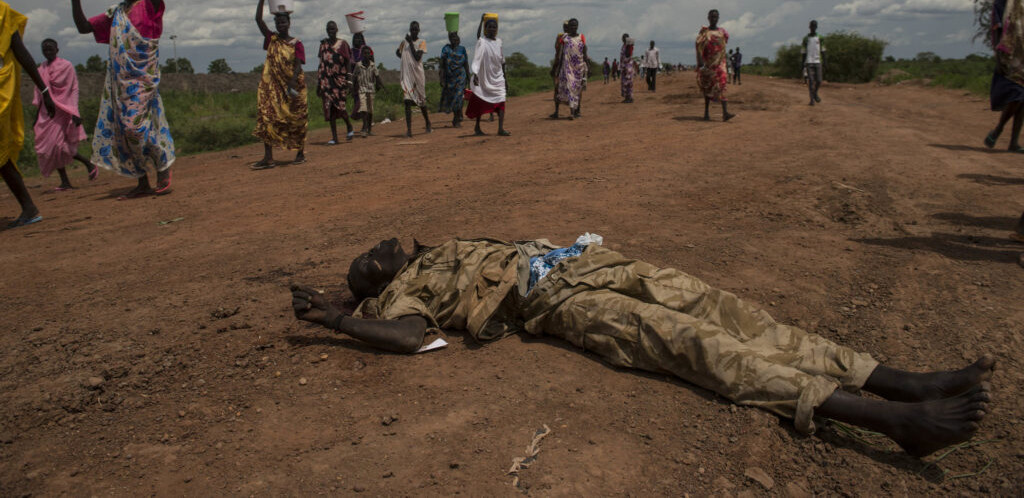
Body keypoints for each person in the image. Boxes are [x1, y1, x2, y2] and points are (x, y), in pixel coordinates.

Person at [290, 235, 994, 458]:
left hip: (579, 262)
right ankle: (885, 419)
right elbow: (408, 336)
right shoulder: (399, 295)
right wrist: (339, 317)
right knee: (693, 342)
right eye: (369, 255)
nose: (381, 243)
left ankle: (893, 378)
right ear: (372, 280)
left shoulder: (428, 248)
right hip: (553, 301)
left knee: (728, 309)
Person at [59, 0, 174, 198]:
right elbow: (84, 27)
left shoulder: (151, 6)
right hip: (119, 84)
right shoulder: (116, 13)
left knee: (137, 127)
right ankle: (142, 183)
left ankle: (163, 165)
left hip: (142, 81)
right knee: (123, 132)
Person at [1, 2, 56, 228]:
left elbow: (20, 52)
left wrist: (44, 90)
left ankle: (29, 207)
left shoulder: (2, 12)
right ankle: (28, 207)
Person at [251, 0, 307, 169]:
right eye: (278, 23)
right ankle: (268, 157)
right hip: (272, 86)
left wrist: (292, 83)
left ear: (289, 23)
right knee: (267, 116)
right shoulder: (272, 39)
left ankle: (300, 152)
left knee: (296, 117)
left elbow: (298, 64)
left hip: (292, 85)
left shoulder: (297, 43)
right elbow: (258, 20)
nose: (281, 25)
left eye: (283, 22)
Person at [32, 38, 95, 190]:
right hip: (47, 113)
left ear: (57, 50)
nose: (48, 52)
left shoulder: (66, 66)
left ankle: (89, 164)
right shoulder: (41, 70)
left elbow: (73, 89)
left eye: (50, 49)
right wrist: (36, 117)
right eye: (45, 49)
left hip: (64, 112)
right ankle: (65, 182)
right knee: (52, 149)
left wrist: (74, 111)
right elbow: (41, 95)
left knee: (60, 146)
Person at [983, 0, 1024, 151]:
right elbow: (997, 24)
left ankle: (1013, 142)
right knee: (1017, 95)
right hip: (1011, 54)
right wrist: (999, 49)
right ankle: (998, 130)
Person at [466, 14, 509, 136]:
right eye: (489, 27)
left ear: (497, 29)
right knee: (481, 99)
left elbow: (502, 61)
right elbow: (477, 36)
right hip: (485, 77)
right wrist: (481, 21)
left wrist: (505, 79)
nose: (492, 30)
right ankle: (477, 127)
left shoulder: (499, 42)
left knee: (501, 100)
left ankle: (500, 128)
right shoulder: (483, 42)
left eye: (494, 28)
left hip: (498, 77)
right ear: (486, 28)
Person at [316, 21, 354, 145]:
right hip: (326, 82)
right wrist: (319, 83)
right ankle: (335, 137)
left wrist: (349, 79)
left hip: (339, 81)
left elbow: (348, 61)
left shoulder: (342, 44)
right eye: (328, 29)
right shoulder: (323, 45)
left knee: (341, 107)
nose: (330, 31)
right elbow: (321, 63)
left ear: (337, 29)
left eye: (332, 28)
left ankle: (349, 126)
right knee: (330, 108)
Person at [696, 9, 735, 121]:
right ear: (708, 18)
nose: (714, 19)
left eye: (716, 17)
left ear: (718, 18)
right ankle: (706, 112)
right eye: (712, 17)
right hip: (708, 64)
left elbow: (723, 48)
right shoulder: (704, 32)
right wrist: (700, 62)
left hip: (720, 65)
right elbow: (698, 47)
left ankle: (725, 113)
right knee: (708, 87)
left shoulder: (722, 32)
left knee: (722, 85)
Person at [397, 21, 431, 137]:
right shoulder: (404, 42)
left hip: (418, 76)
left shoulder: (422, 42)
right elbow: (398, 53)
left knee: (421, 102)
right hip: (407, 77)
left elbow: (417, 57)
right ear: (409, 30)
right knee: (407, 101)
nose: (414, 31)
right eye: (412, 29)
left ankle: (427, 122)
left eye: (416, 29)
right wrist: (403, 47)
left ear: (419, 30)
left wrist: (410, 43)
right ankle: (409, 130)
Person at [552, 18, 588, 120]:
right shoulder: (564, 38)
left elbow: (584, 50)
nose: (573, 27)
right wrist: (556, 66)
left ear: (578, 26)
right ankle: (571, 112)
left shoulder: (581, 37)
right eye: (571, 26)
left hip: (579, 68)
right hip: (567, 68)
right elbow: (559, 53)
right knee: (568, 87)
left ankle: (577, 110)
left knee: (577, 89)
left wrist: (587, 66)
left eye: (575, 25)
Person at [438, 30, 470, 128]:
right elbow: (442, 64)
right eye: (452, 37)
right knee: (452, 99)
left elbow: (466, 63)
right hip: (450, 78)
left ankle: (456, 120)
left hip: (461, 77)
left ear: (458, 38)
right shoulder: (446, 49)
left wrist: (468, 77)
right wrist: (441, 78)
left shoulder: (462, 49)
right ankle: (456, 116)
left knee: (459, 97)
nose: (454, 39)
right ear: (449, 39)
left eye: (455, 37)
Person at [352, 47, 382, 136]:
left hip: (371, 89)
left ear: (370, 55)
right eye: (365, 53)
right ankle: (364, 128)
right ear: (362, 55)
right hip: (362, 89)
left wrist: (378, 85)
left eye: (368, 53)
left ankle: (369, 129)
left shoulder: (373, 65)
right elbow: (354, 76)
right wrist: (353, 88)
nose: (366, 55)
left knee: (370, 110)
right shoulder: (358, 65)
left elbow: (377, 76)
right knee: (363, 108)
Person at [803, 21, 826, 106]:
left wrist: (825, 61)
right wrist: (802, 63)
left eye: (814, 26)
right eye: (812, 26)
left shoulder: (820, 38)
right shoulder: (806, 39)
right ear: (809, 27)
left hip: (818, 61)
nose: (813, 27)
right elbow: (803, 52)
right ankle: (812, 100)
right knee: (811, 81)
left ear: (816, 27)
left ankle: (815, 93)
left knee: (819, 81)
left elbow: (823, 50)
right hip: (809, 61)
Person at [619, 34, 635, 103]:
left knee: (628, 83)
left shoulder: (629, 46)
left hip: (627, 67)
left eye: (623, 38)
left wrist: (625, 67)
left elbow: (628, 55)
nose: (622, 39)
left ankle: (629, 98)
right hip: (624, 66)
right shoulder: (625, 46)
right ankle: (627, 98)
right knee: (625, 83)